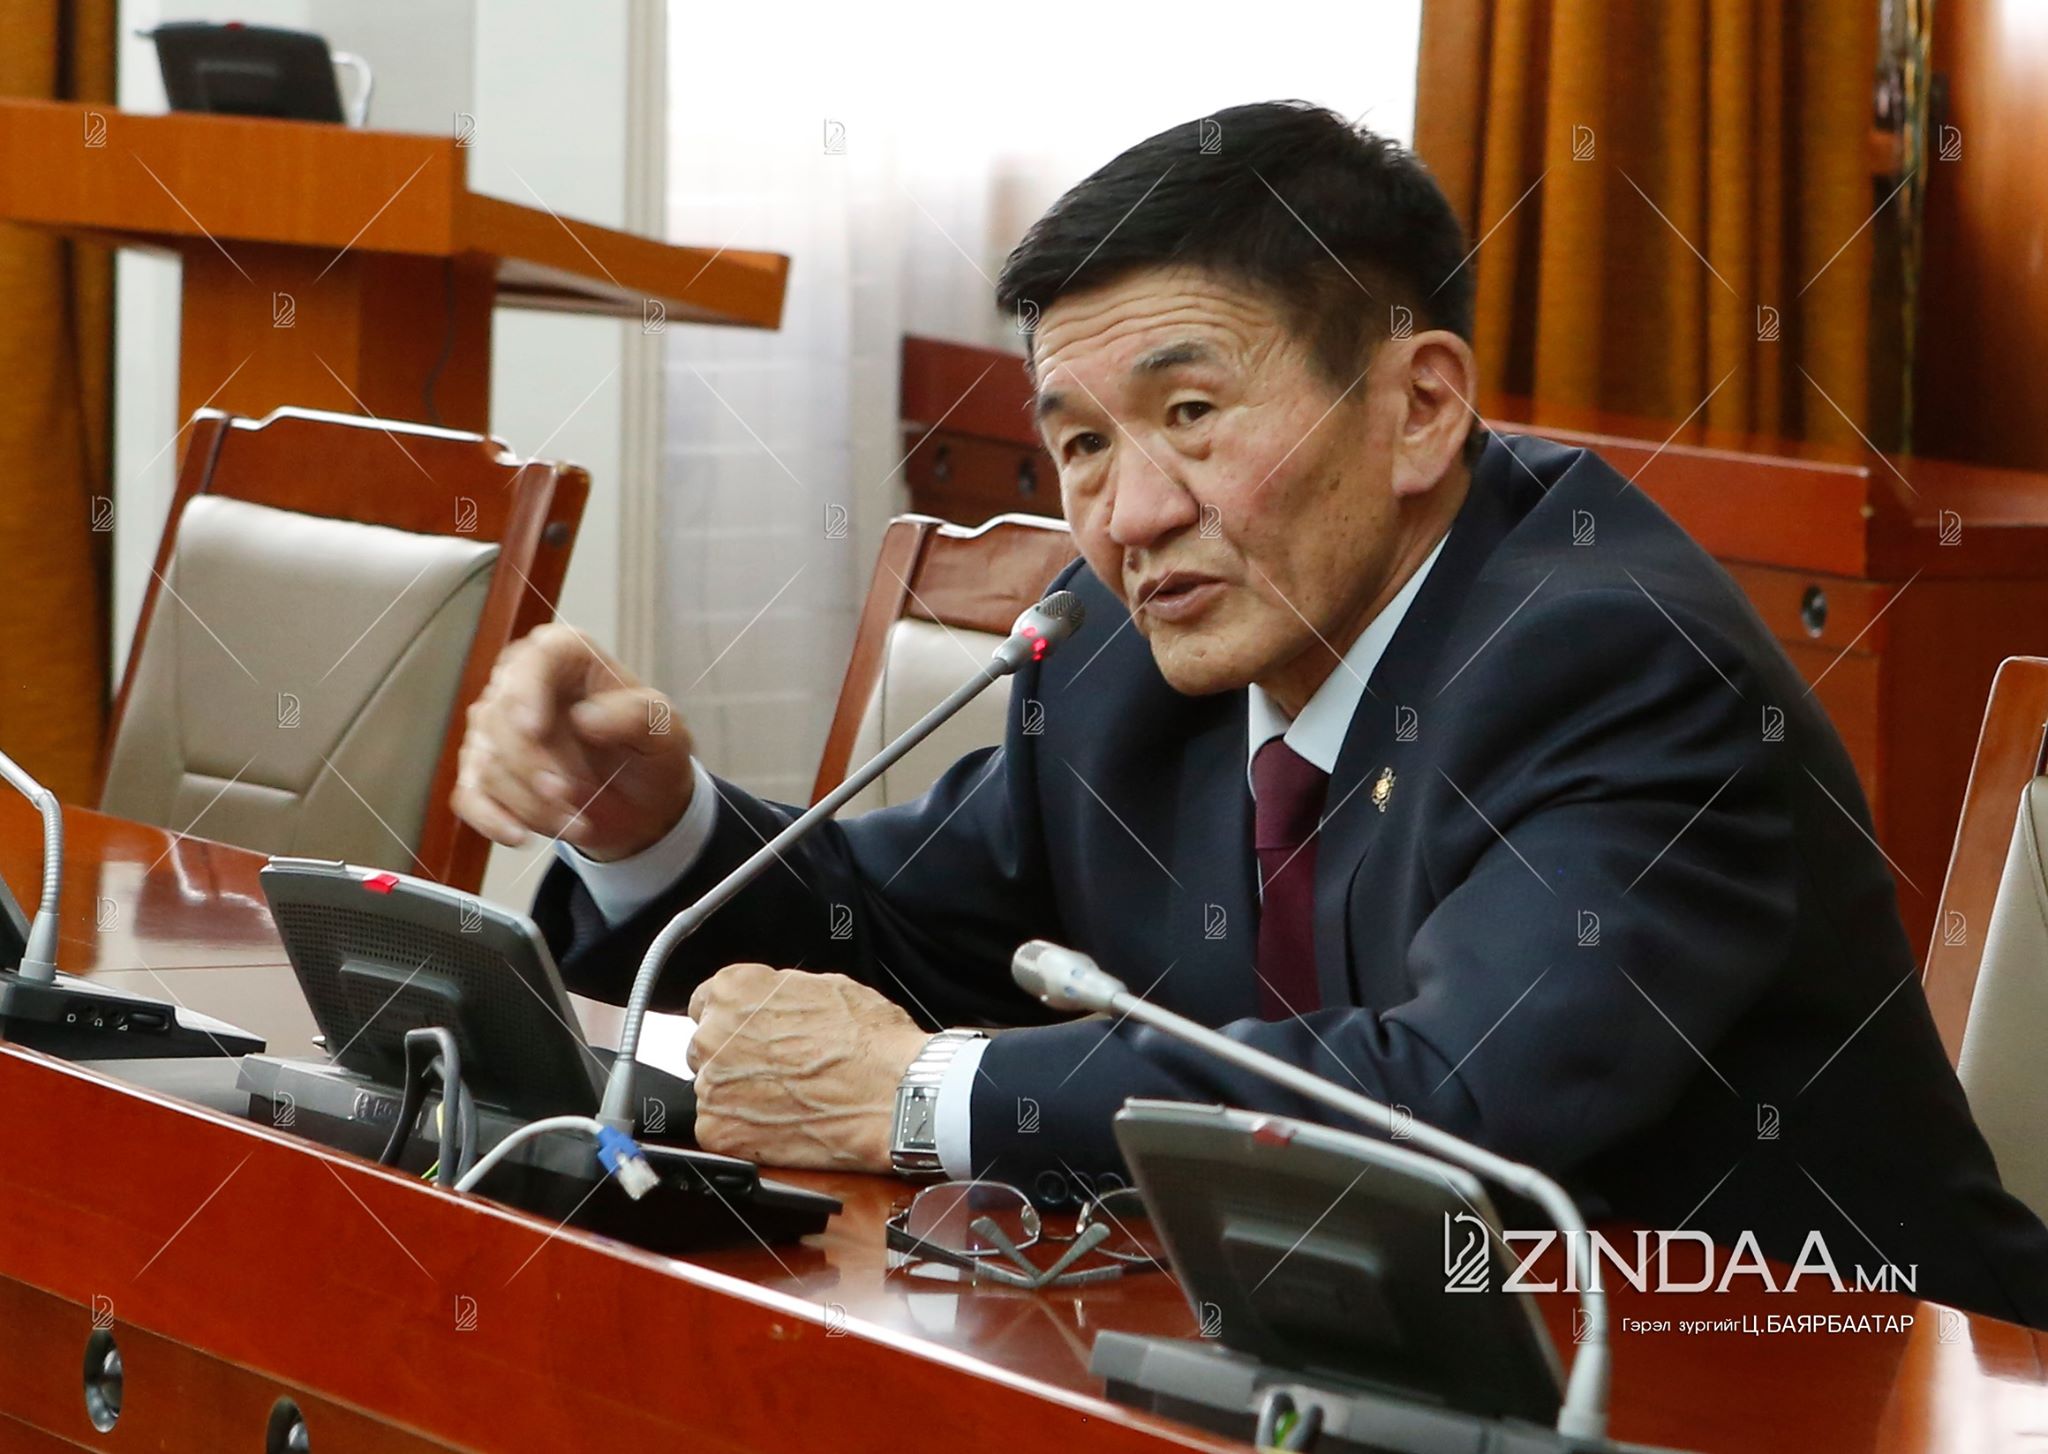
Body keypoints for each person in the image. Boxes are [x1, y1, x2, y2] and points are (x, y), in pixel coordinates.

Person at [453, 100, 2048, 1325]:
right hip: (1359, 1360)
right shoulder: (1113, 643)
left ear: (1419, 406)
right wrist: (647, 824)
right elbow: (900, 938)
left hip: (1824, 1373)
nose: (1132, 512)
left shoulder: (1615, 661)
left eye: (1194, 413)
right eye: (1082, 445)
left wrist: (924, 1096)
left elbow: (1445, 1107)